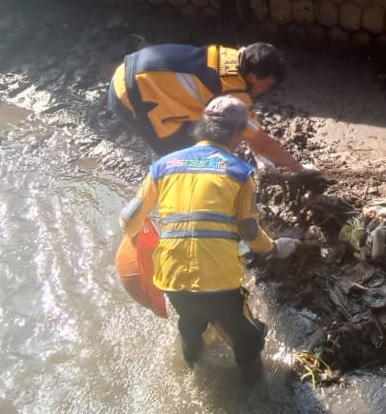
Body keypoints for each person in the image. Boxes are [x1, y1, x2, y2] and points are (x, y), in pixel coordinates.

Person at [120, 95, 301, 378]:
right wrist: (276, 248)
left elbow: (129, 219)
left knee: (190, 321)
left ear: (202, 125)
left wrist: (139, 243)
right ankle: (254, 391)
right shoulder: (241, 173)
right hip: (218, 280)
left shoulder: (163, 165)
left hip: (170, 274)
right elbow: (250, 233)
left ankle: (192, 363)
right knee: (249, 336)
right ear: (238, 132)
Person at [107, 41, 304, 170]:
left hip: (131, 69)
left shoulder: (234, 56)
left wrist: (256, 148)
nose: (266, 90)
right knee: (185, 157)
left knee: (204, 130)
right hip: (129, 95)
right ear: (252, 77)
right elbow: (263, 142)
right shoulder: (232, 93)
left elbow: (251, 134)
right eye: (267, 84)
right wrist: (300, 169)